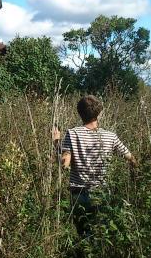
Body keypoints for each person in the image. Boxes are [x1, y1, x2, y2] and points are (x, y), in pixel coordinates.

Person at [52, 95, 138, 238]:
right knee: (101, 234)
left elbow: (64, 164)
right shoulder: (111, 136)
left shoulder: (72, 134)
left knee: (83, 235)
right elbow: (131, 158)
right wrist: (135, 175)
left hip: (79, 193)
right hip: (102, 193)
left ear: (79, 113)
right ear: (99, 113)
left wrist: (56, 142)